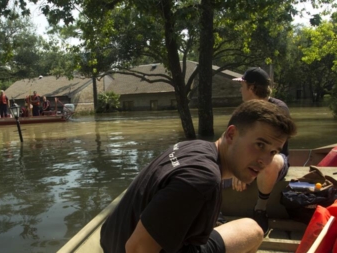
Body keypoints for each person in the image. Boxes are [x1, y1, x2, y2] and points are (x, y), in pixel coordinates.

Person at [100, 100, 297, 253]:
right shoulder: (203, 180)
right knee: (252, 230)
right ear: (231, 134)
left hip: (110, 242)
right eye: (260, 145)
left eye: (273, 152)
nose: (265, 161)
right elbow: (136, 249)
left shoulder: (194, 147)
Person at [224, 67, 291, 234]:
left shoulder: (278, 109)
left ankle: (260, 209)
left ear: (252, 88)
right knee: (210, 160)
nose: (240, 90)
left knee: (270, 161)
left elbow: (272, 148)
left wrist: (244, 166)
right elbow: (228, 144)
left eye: (243, 85)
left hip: (274, 157)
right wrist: (236, 168)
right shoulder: (243, 111)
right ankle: (214, 212)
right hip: (246, 158)